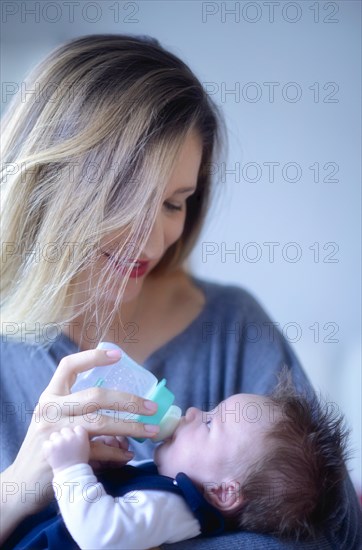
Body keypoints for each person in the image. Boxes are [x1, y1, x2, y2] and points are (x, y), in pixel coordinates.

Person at [0, 34, 361, 550]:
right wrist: (18, 484)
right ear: (49, 181)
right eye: (127, 198)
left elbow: (334, 533)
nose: (153, 240)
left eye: (175, 203)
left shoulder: (232, 327)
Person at [14, 369, 351, 549]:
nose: (191, 412)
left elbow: (102, 536)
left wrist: (71, 468)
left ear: (223, 492)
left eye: (208, 423)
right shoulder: (169, 489)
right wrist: (100, 470)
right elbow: (121, 506)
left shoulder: (177, 506)